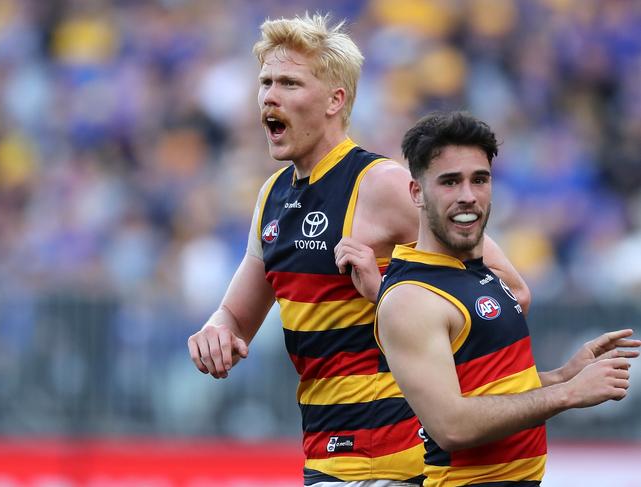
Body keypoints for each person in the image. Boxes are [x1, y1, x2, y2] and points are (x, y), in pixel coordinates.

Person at [188, 14, 531, 486]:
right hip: (326, 461)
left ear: (336, 100)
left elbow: (510, 293)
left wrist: (388, 290)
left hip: (401, 463)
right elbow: (234, 316)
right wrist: (215, 331)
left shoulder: (382, 184)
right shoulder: (272, 197)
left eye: (289, 82)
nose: (269, 95)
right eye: (265, 82)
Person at [370, 110, 640, 486]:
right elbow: (452, 426)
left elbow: (492, 393)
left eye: (479, 180)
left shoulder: (475, 270)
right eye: (450, 182)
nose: (468, 196)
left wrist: (563, 375)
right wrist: (567, 395)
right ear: (417, 192)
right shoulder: (411, 298)